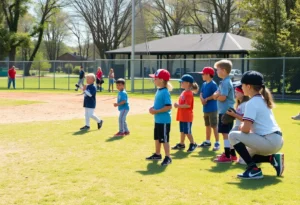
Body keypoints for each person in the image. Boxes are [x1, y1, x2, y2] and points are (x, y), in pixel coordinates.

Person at [229, 71, 284, 179]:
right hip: (276, 139)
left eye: (242, 85)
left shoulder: (252, 102)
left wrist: (241, 127)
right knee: (243, 160)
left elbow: (245, 129)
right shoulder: (263, 99)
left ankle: (254, 170)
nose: (242, 87)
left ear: (248, 86)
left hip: (269, 141)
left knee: (232, 135)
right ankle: (272, 159)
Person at [146, 69, 173, 166]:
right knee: (157, 138)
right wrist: (153, 108)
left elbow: (169, 106)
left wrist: (156, 111)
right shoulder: (159, 90)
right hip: (158, 120)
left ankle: (168, 157)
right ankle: (157, 154)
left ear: (161, 80)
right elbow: (158, 104)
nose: (154, 80)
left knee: (164, 139)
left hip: (164, 120)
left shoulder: (165, 92)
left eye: (155, 78)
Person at [212, 60, 237, 163]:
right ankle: (232, 155)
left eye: (217, 69)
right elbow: (217, 92)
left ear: (223, 70)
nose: (216, 72)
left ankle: (227, 155)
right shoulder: (223, 82)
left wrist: (216, 97)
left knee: (225, 133)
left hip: (226, 112)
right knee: (226, 133)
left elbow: (222, 97)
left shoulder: (226, 82)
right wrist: (216, 95)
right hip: (224, 111)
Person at [172, 74, 198, 152]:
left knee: (187, 132)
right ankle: (181, 143)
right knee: (182, 131)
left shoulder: (189, 93)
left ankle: (193, 143)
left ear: (188, 83)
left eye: (182, 82)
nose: (181, 83)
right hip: (182, 116)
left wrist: (178, 105)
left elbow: (188, 105)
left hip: (187, 116)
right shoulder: (184, 92)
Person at [225, 84, 250, 164]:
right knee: (231, 141)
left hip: (241, 127)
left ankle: (230, 155)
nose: (235, 94)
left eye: (237, 92)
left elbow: (244, 119)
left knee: (235, 141)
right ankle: (231, 155)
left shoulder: (245, 104)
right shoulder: (240, 104)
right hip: (237, 126)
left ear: (243, 93)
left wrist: (233, 115)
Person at [198, 67, 220, 151]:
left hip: (212, 108)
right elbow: (201, 93)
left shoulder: (213, 84)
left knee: (214, 125)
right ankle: (207, 141)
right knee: (207, 125)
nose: (202, 76)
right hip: (206, 108)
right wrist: (202, 99)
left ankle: (217, 142)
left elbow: (216, 95)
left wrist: (206, 99)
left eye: (203, 74)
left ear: (208, 75)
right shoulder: (204, 84)